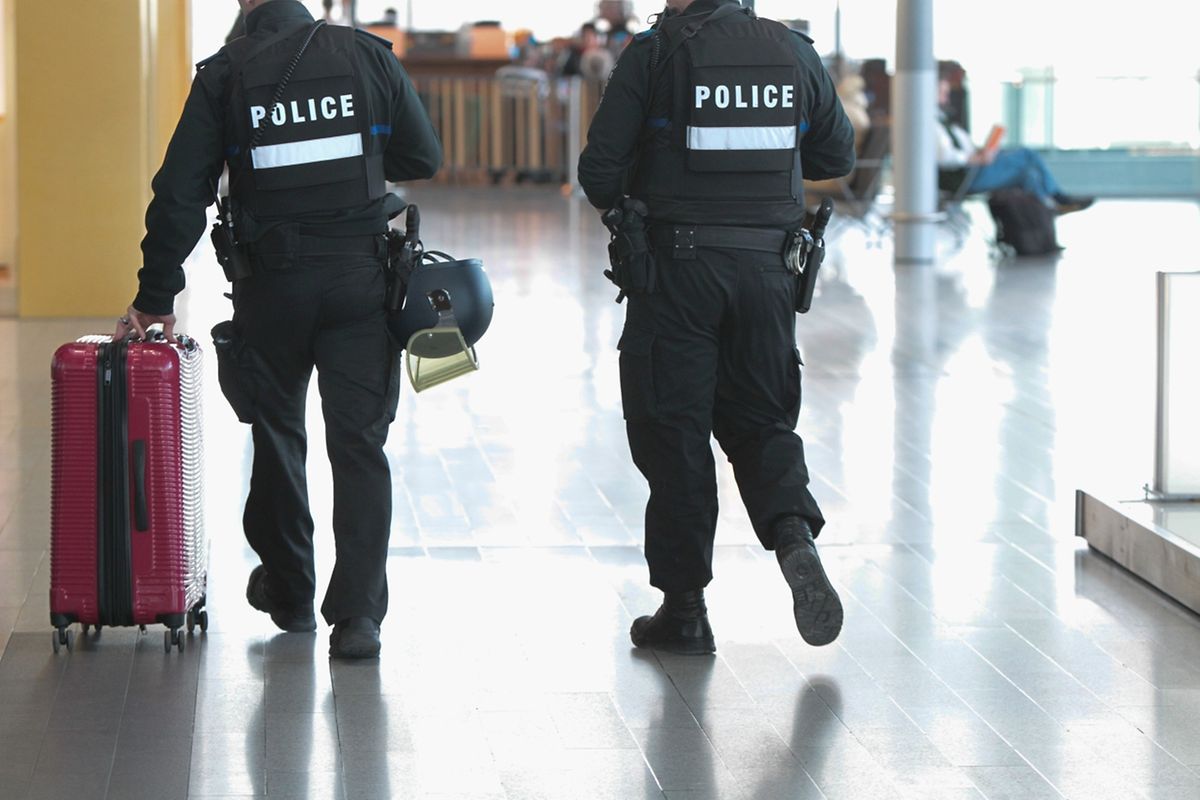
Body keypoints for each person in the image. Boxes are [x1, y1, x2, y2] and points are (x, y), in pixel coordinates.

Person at [113, 0, 442, 658]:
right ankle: (358, 620)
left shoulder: (225, 74)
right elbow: (421, 157)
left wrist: (155, 296)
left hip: (273, 289)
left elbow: (180, 191)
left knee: (277, 431)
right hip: (360, 281)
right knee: (358, 447)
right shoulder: (369, 56)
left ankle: (290, 589)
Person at [578, 0, 855, 655]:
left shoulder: (656, 52)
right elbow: (835, 153)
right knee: (762, 421)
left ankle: (685, 610)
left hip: (677, 273)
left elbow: (599, 174)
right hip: (769, 273)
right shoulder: (794, 50)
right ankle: (792, 532)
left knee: (675, 433)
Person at [937, 77, 1093, 213]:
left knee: (1028, 173)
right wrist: (975, 158)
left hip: (973, 168)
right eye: (943, 93)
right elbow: (944, 156)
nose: (947, 99)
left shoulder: (946, 122)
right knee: (1026, 158)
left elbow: (963, 149)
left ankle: (1048, 208)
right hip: (965, 177)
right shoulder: (933, 125)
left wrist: (983, 152)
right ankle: (1055, 200)